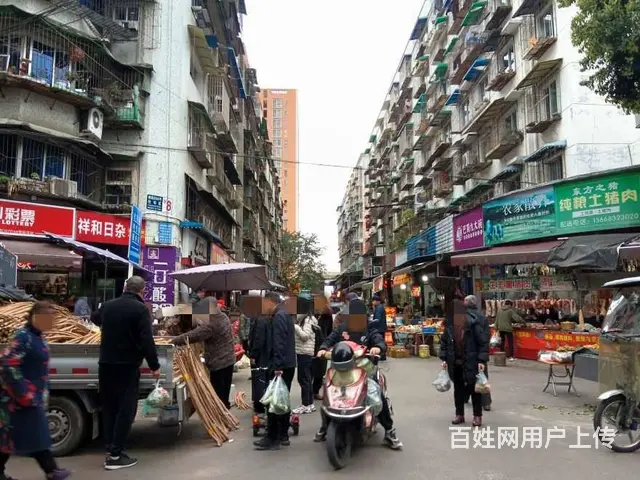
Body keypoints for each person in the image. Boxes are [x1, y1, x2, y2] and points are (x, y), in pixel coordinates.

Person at [313, 299, 402, 450]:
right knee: (329, 393)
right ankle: (325, 426)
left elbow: (379, 340)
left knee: (376, 395)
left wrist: (378, 347)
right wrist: (323, 348)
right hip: (341, 371)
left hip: (364, 370)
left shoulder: (369, 328)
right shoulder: (342, 328)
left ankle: (389, 431)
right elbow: (330, 339)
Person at [0, 301, 72, 480]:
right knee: (34, 435)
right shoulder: (23, 337)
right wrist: (23, 393)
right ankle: (52, 471)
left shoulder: (38, 337)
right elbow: (8, 364)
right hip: (19, 399)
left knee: (12, 437)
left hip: (33, 397)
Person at [97, 276, 160, 470]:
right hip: (127, 365)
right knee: (126, 409)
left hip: (106, 363)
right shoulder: (140, 309)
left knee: (109, 408)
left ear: (125, 287)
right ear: (142, 291)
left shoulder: (108, 306)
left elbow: (94, 318)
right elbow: (147, 339)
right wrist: (154, 365)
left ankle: (110, 448)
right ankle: (115, 455)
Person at [172, 297, 235, 408]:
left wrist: (175, 340)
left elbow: (196, 335)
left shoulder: (212, 323)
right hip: (228, 359)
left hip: (219, 361)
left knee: (218, 393)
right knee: (224, 390)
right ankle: (224, 408)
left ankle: (220, 412)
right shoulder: (222, 316)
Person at [253, 292, 296, 451]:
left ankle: (272, 437)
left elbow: (279, 343)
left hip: (281, 366)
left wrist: (278, 366)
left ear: (271, 302)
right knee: (281, 401)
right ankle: (282, 435)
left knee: (274, 402)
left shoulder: (279, 316)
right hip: (287, 364)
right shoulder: (284, 314)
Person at [440, 297, 489, 427]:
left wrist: (481, 360)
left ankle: (477, 416)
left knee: (474, 389)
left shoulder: (473, 323)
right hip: (455, 362)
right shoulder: (449, 326)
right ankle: (459, 414)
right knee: (458, 390)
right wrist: (444, 358)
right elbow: (444, 342)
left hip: (471, 360)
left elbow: (482, 342)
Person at [464, 295, 492, 412]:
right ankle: (486, 403)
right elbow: (486, 336)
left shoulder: (463, 317)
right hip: (480, 352)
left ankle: (465, 397)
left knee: (466, 376)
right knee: (482, 376)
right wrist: (483, 354)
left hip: (467, 352)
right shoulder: (483, 317)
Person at [292, 306, 318, 414]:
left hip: (305, 353)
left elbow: (305, 336)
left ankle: (306, 404)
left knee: (304, 379)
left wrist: (295, 327)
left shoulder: (308, 320)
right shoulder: (305, 319)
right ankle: (310, 404)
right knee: (306, 379)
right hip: (303, 352)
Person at [312, 305, 334, 400]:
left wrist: (327, 344)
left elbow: (330, 330)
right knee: (310, 369)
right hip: (311, 344)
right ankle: (308, 391)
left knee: (320, 370)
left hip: (322, 344)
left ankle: (315, 391)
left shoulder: (327, 315)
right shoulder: (311, 314)